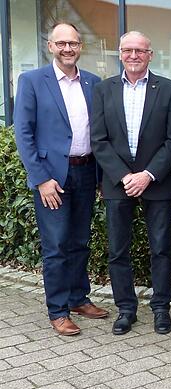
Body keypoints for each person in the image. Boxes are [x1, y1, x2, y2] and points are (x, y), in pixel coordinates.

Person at [14, 22, 107, 336]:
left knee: (80, 242)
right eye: (62, 43)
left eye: (74, 43)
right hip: (52, 178)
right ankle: (58, 310)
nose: (68, 48)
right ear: (50, 46)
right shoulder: (32, 81)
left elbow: (102, 134)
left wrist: (101, 178)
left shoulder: (93, 83)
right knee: (56, 246)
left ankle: (79, 298)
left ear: (81, 46)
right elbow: (23, 134)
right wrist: (40, 179)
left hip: (85, 171)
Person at [90, 31, 171, 336]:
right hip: (118, 182)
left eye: (140, 51)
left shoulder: (169, 89)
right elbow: (99, 140)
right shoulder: (104, 90)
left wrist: (147, 175)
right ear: (119, 54)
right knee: (118, 250)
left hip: (156, 181)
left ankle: (161, 309)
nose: (133, 55)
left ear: (150, 55)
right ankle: (126, 309)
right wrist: (124, 176)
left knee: (161, 248)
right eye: (127, 50)